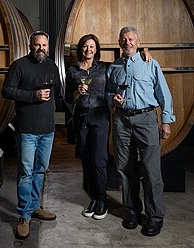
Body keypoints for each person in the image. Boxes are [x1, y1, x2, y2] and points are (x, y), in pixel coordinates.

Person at [65, 34, 151, 220]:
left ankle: (102, 200)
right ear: (81, 49)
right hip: (80, 120)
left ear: (96, 50)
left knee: (99, 161)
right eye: (85, 46)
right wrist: (77, 93)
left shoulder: (105, 67)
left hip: (100, 119)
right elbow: (67, 99)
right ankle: (94, 198)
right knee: (86, 161)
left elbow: (125, 62)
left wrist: (144, 52)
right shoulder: (73, 71)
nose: (88, 50)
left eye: (92, 47)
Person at [107, 26, 176, 236]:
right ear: (119, 42)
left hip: (146, 119)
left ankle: (155, 216)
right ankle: (133, 211)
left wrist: (166, 121)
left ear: (138, 42)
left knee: (151, 170)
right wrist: (113, 98)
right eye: (123, 39)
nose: (127, 42)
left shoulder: (150, 64)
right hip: (122, 120)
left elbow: (164, 94)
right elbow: (108, 92)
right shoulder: (114, 67)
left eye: (130, 39)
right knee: (125, 168)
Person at [2, 31, 61, 239]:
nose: (41, 49)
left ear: (48, 46)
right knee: (26, 173)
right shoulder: (19, 66)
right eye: (37, 45)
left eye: (44, 45)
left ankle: (35, 206)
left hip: (47, 130)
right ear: (30, 45)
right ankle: (24, 215)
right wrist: (33, 96)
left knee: (40, 171)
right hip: (27, 129)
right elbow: (7, 91)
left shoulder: (52, 66)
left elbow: (59, 93)